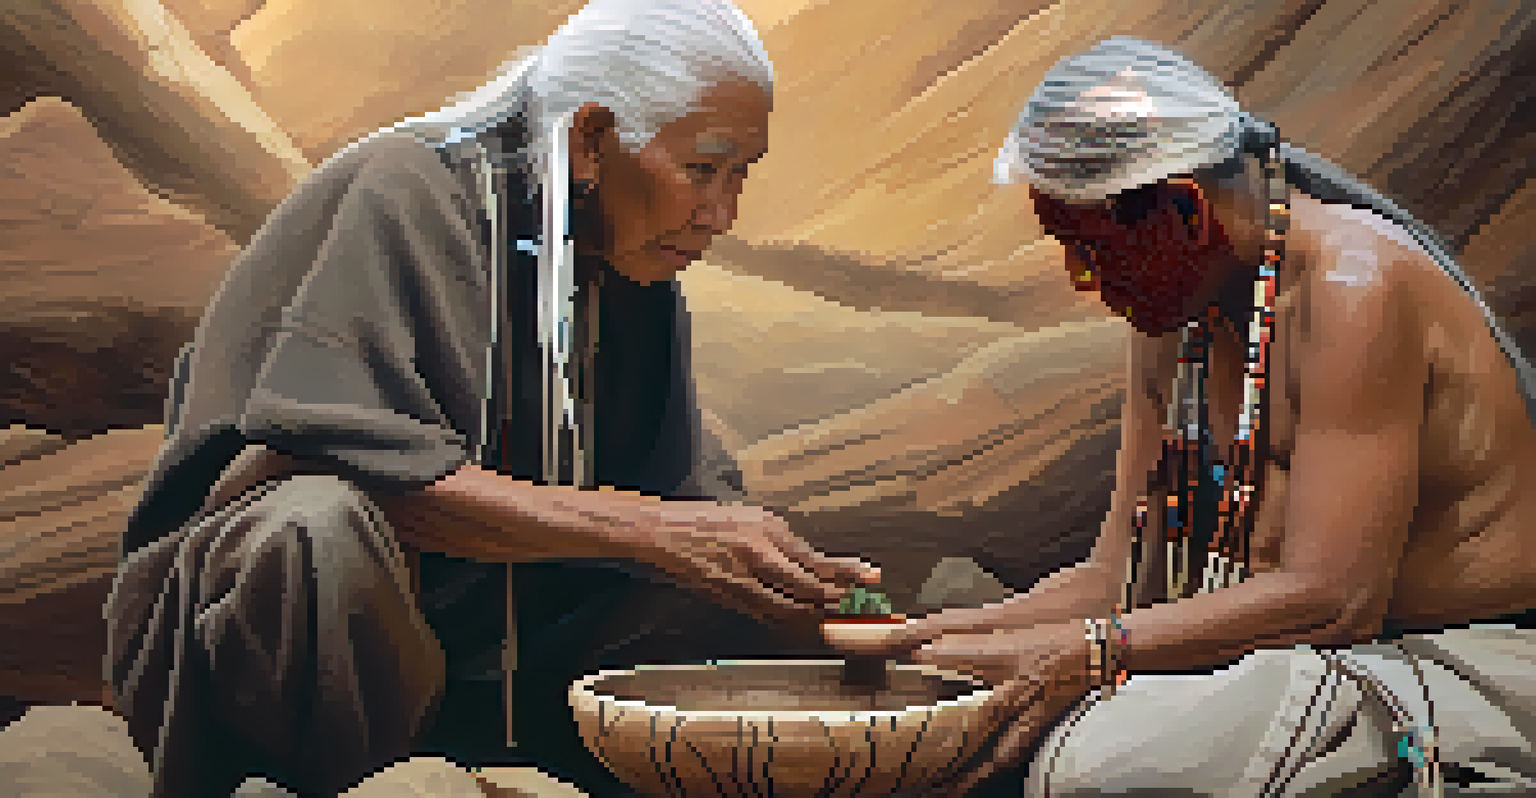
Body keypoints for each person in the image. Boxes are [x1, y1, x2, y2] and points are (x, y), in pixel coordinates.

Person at [104, 2, 879, 796]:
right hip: (293, 637)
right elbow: (369, 473)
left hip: (497, 649)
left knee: (726, 610)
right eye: (703, 169)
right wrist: (654, 530)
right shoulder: (409, 186)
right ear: (590, 139)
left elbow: (681, 496)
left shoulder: (634, 252)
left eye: (741, 174)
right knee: (315, 528)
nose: (722, 214)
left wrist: (797, 589)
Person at [830, 38, 1536, 797]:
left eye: (1092, 249)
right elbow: (1116, 579)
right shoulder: (1176, 317)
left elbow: (1336, 601)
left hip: (1455, 669)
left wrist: (1082, 654)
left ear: (1186, 210)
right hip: (1299, 662)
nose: (1079, 279)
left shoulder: (1353, 287)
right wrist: (937, 638)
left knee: (1093, 768)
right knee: (964, 703)